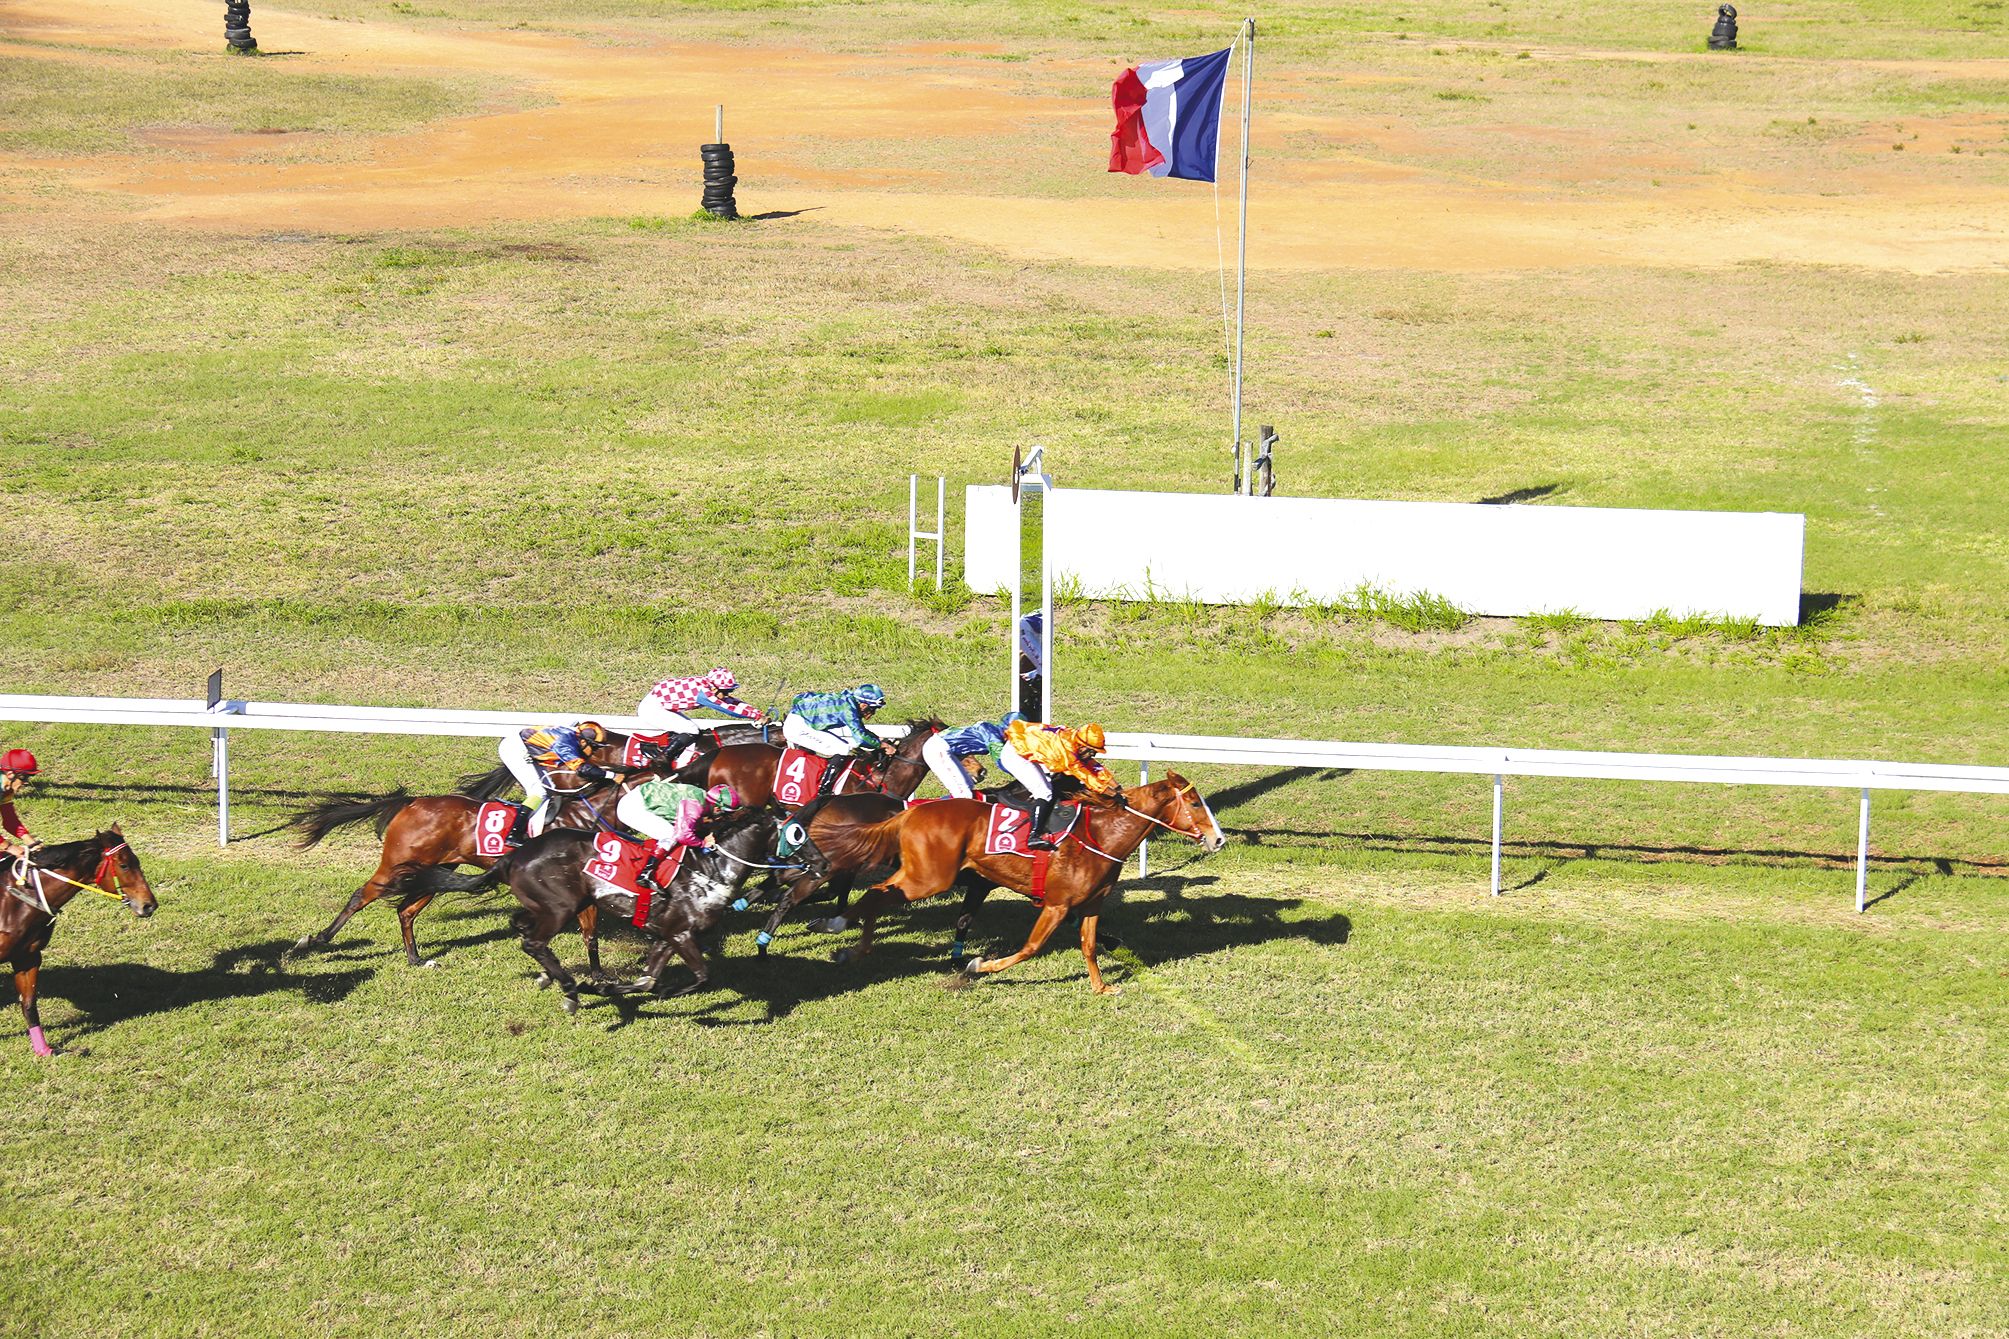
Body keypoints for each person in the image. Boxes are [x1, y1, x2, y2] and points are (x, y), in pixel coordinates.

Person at [1000, 719, 1118, 849]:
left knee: (1049, 788)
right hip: (1015, 754)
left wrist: (1117, 787)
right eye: (1092, 751)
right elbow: (1088, 778)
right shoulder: (1067, 754)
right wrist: (1113, 794)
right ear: (1082, 746)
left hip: (1027, 748)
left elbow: (1093, 766)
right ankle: (1034, 836)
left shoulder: (1073, 739)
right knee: (1044, 792)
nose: (1093, 755)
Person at [615, 779, 743, 890]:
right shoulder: (696, 806)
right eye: (724, 814)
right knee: (670, 834)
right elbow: (683, 835)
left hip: (639, 798)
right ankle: (646, 873)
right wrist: (703, 843)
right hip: (631, 808)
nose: (722, 817)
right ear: (717, 808)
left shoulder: (701, 795)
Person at [497, 721, 611, 837]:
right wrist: (611, 775)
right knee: (538, 792)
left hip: (524, 747)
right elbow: (582, 769)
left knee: (549, 788)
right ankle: (514, 833)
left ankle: (531, 825)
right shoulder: (565, 743)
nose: (593, 751)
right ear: (583, 741)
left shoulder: (573, 734)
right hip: (514, 750)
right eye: (594, 747)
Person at [782, 684, 890, 796]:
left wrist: (877, 739)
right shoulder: (848, 709)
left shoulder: (848, 700)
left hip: (802, 721)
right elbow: (860, 738)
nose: (872, 713)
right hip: (797, 728)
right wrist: (882, 745)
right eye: (872, 709)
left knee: (844, 746)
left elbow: (861, 730)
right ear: (863, 705)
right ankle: (823, 792)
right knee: (842, 748)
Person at [635, 667, 767, 736]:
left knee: (689, 728)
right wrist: (754, 716)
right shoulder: (704, 693)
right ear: (715, 687)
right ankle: (663, 760)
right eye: (726, 691)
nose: (727, 694)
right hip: (652, 709)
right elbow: (726, 708)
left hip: (659, 704)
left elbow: (731, 702)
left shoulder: (709, 685)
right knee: (691, 730)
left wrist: (756, 711)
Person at [923, 712, 1021, 801]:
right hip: (937, 749)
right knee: (965, 795)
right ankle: (918, 809)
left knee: (968, 787)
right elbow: (1003, 762)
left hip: (940, 746)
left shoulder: (992, 728)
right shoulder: (993, 737)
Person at [1, 749, 41, 861]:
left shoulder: (7, 790)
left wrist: (29, 840)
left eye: (29, 777)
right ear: (10, 774)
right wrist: (9, 847)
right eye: (24, 777)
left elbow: (10, 821)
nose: (26, 782)